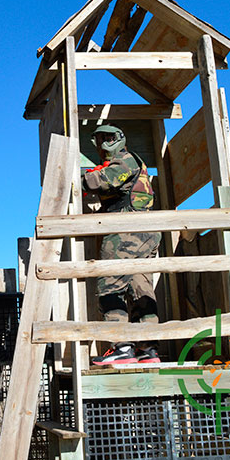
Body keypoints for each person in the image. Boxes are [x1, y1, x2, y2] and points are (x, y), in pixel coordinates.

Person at [81, 124, 161, 365]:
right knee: (140, 289)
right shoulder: (132, 162)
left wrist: (80, 179)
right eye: (100, 139)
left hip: (127, 231)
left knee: (109, 286)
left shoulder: (126, 161)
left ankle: (122, 347)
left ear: (120, 139)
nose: (104, 144)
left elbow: (102, 181)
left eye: (108, 138)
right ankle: (148, 349)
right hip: (144, 232)